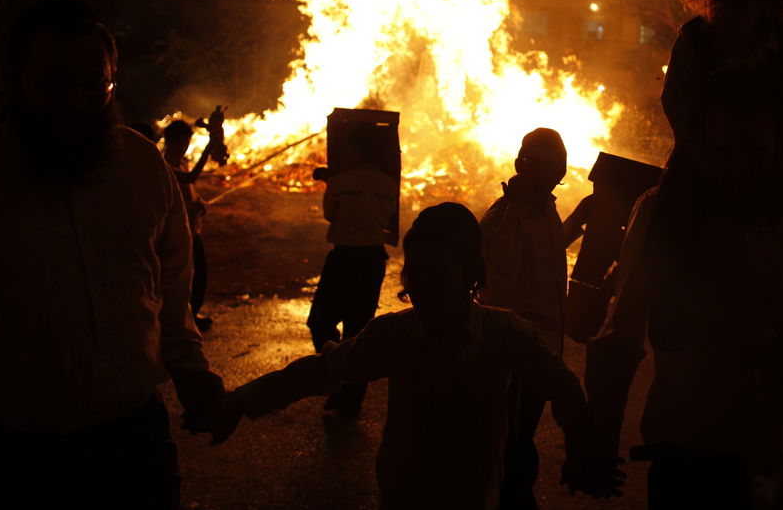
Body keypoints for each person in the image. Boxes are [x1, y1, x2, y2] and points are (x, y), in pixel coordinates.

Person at [0, 0, 226, 510]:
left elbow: (169, 288)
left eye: (91, 83)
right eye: (54, 82)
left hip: (129, 446)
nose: (74, 100)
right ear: (15, 80)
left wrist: (191, 372)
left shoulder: (143, 169)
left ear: (111, 82)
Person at [217, 202, 623, 510]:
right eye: (414, 274)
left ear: (471, 276)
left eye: (438, 275)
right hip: (403, 496)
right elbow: (321, 372)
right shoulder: (395, 333)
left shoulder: (505, 334)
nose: (423, 288)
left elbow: (563, 387)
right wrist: (241, 401)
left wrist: (581, 446)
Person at [587, 88, 783, 510]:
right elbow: (622, 334)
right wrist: (599, 438)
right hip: (689, 460)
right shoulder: (663, 214)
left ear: (780, 149)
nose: (740, 169)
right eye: (725, 153)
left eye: (756, 152)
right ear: (700, 150)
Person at [647, 0, 783, 351]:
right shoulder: (693, 39)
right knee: (666, 214)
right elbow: (677, 102)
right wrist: (699, 156)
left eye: (741, 0)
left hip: (774, 164)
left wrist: (779, 163)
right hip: (704, 160)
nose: (728, 11)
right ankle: (657, 308)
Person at [478, 127, 570, 509]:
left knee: (520, 437)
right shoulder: (504, 216)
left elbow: (541, 263)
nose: (549, 175)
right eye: (541, 166)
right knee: (510, 445)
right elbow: (499, 273)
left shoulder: (547, 210)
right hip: (512, 350)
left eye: (555, 168)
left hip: (544, 344)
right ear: (521, 165)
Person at [306, 122, 397, 414]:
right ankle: (351, 396)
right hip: (372, 261)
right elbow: (388, 220)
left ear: (355, 150)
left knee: (320, 322)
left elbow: (330, 214)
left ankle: (337, 377)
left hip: (344, 258)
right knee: (358, 331)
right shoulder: (389, 184)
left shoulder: (342, 181)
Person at [162, 109, 225, 332]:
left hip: (192, 228)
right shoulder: (165, 166)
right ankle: (180, 320)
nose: (184, 146)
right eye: (179, 142)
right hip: (177, 231)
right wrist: (210, 146)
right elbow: (189, 179)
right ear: (169, 142)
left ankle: (192, 314)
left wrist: (198, 201)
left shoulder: (182, 163)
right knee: (182, 276)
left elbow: (189, 189)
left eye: (186, 142)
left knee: (199, 273)